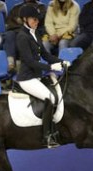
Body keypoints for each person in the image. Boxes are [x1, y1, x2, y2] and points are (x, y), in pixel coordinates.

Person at [16, 5, 70, 148]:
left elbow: (45, 55)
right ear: (25, 19)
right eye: (34, 19)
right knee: (50, 98)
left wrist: (61, 61)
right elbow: (30, 62)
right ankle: (47, 136)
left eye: (37, 19)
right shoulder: (22, 36)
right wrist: (51, 67)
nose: (36, 21)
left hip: (37, 75)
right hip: (27, 78)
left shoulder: (35, 33)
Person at [4, 0, 47, 71]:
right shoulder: (16, 7)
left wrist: (21, 21)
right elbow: (9, 22)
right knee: (9, 34)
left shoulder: (41, 7)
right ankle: (10, 63)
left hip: (33, 32)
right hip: (17, 31)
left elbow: (37, 21)